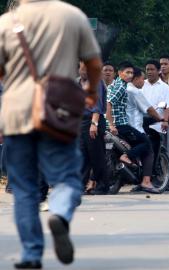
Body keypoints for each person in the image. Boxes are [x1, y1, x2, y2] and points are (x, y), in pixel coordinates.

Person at [0, 0, 102, 268]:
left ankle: (32, 254)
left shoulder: (5, 23)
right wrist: (91, 93)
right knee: (67, 176)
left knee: (24, 188)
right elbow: (93, 63)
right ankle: (59, 212)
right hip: (58, 111)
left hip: (17, 113)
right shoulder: (71, 16)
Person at [106, 62, 159, 194]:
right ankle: (130, 161)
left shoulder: (117, 85)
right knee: (147, 144)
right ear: (119, 73)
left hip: (117, 124)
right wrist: (111, 124)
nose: (129, 75)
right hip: (121, 124)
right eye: (127, 73)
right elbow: (108, 104)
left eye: (131, 73)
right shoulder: (124, 88)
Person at [79, 62, 109, 195]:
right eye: (83, 68)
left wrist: (94, 124)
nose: (85, 71)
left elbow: (97, 104)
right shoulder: (76, 82)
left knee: (96, 155)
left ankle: (102, 185)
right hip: (80, 122)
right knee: (81, 155)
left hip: (93, 120)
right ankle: (80, 185)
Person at [142, 60, 169, 176]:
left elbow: (168, 106)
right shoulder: (141, 84)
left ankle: (161, 177)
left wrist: (165, 121)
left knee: (158, 149)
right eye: (147, 70)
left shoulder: (165, 87)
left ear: (158, 71)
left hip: (158, 123)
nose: (149, 72)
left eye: (152, 69)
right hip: (140, 122)